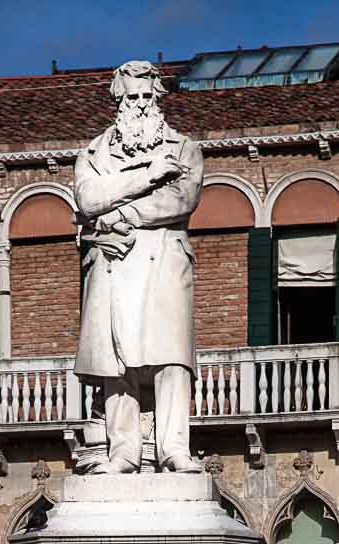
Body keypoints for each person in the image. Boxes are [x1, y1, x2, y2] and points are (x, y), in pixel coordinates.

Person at [74, 60, 204, 474]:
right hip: (114, 263)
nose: (141, 104)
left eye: (148, 96)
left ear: (158, 97)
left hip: (163, 256)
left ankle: (173, 449)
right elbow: (88, 199)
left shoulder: (183, 148)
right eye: (133, 97)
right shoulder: (94, 152)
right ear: (119, 99)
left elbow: (180, 200)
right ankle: (123, 452)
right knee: (118, 362)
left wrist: (120, 215)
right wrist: (148, 174)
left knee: (171, 357)